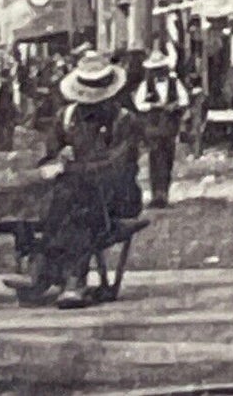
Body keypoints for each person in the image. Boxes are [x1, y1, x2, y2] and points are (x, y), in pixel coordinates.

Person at [33, 51, 143, 309]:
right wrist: (56, 160)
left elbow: (118, 165)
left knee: (76, 199)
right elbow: (48, 157)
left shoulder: (124, 120)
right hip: (73, 192)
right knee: (66, 196)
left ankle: (72, 276)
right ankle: (52, 266)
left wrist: (70, 169)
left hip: (118, 195)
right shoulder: (67, 117)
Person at [131, 49, 190, 208]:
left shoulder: (174, 83)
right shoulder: (146, 85)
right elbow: (139, 104)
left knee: (168, 158)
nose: (158, 73)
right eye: (155, 70)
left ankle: (164, 193)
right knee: (155, 159)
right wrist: (154, 105)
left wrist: (175, 105)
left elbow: (184, 100)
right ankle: (156, 194)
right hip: (153, 126)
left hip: (170, 126)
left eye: (160, 69)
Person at [0, 52, 21, 153]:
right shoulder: (10, 83)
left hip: (2, 107)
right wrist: (17, 106)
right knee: (7, 127)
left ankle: (4, 146)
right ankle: (7, 146)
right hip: (7, 106)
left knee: (3, 126)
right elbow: (16, 95)